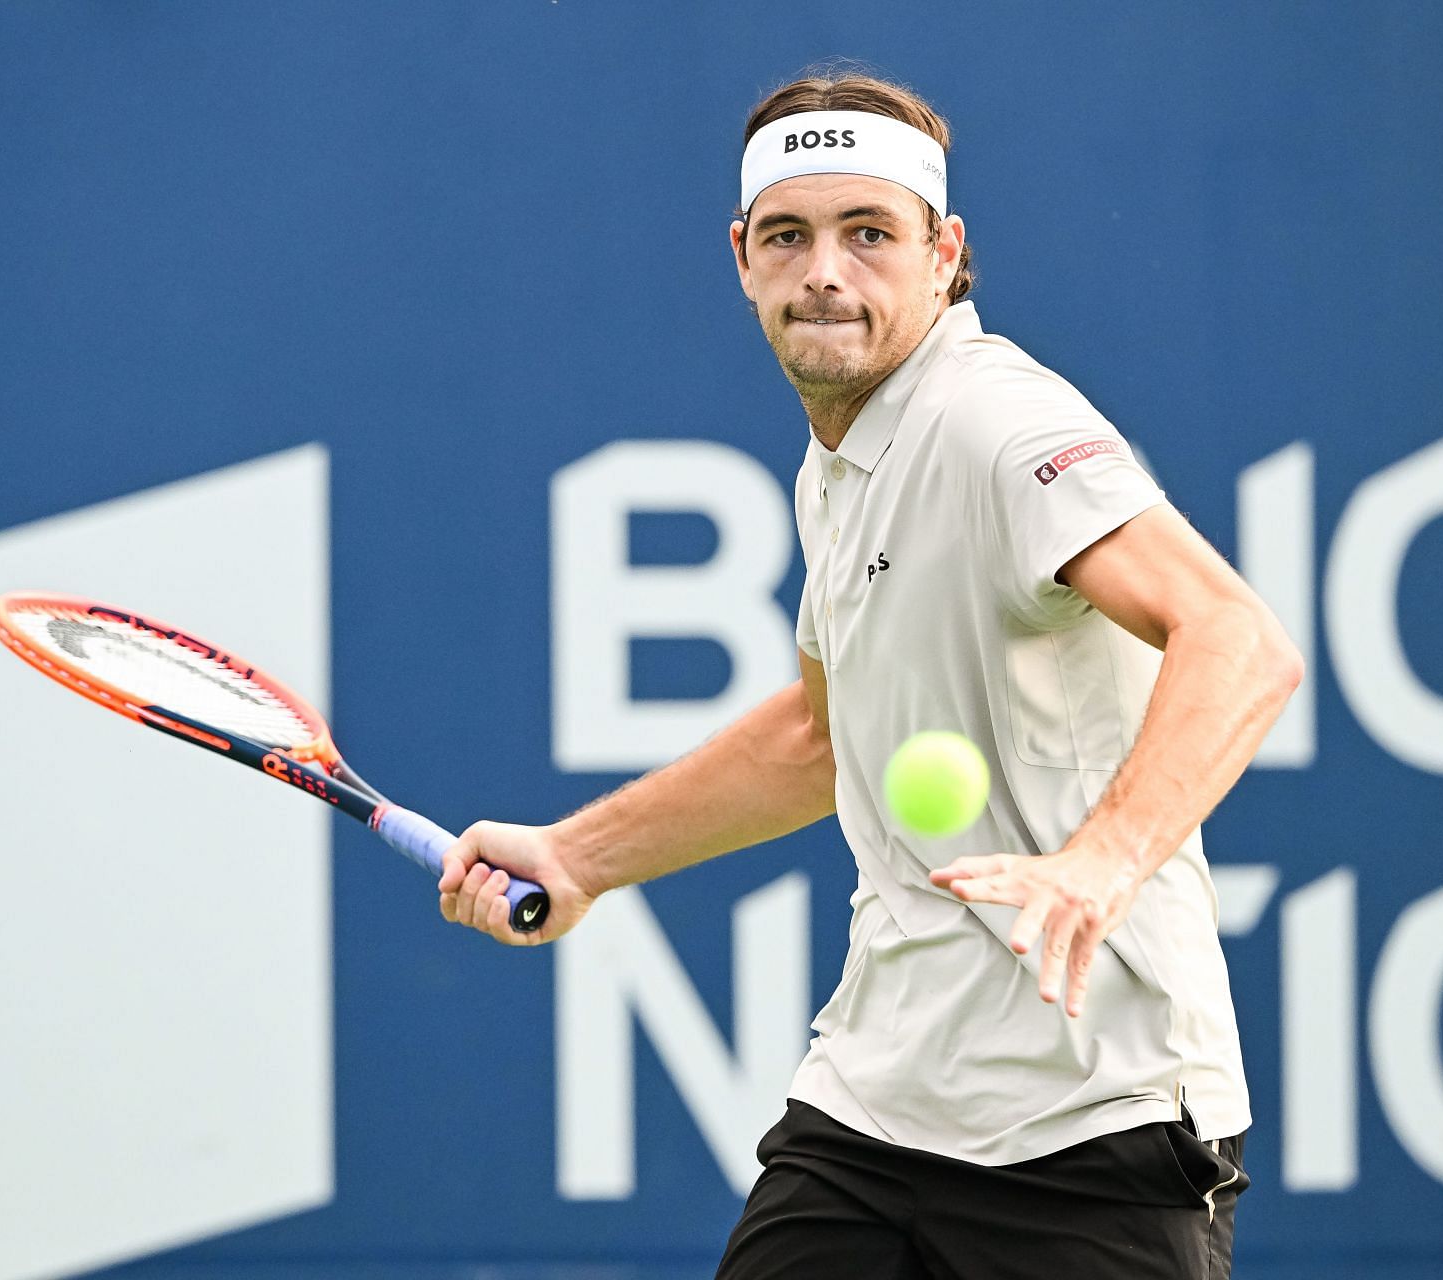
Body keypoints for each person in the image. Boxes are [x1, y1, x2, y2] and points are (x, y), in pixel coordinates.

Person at [438, 69, 1303, 1280]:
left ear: (944, 254)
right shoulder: (843, 456)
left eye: (870, 234)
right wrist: (580, 854)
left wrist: (1101, 860)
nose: (825, 272)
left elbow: (1240, 637)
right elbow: (818, 733)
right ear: (742, 258)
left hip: (1092, 1121)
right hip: (878, 1110)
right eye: (788, 236)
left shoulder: (993, 423)